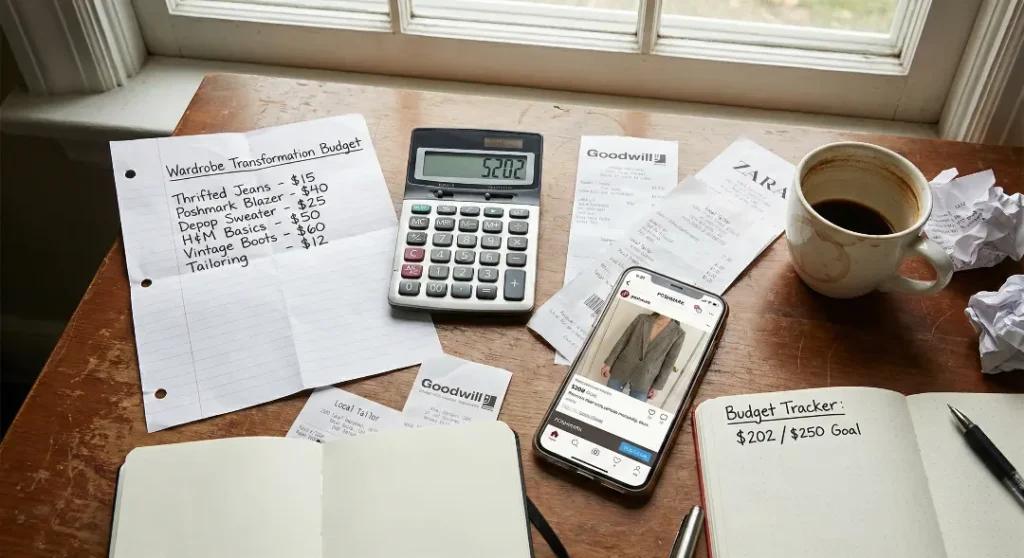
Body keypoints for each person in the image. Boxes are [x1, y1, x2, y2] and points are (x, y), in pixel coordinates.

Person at [601, 312, 684, 403]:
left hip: (645, 380)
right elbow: (623, 340)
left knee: (634, 410)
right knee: (607, 402)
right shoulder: (642, 319)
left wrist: (657, 386)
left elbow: (669, 363)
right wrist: (609, 363)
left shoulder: (678, 333)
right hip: (622, 369)